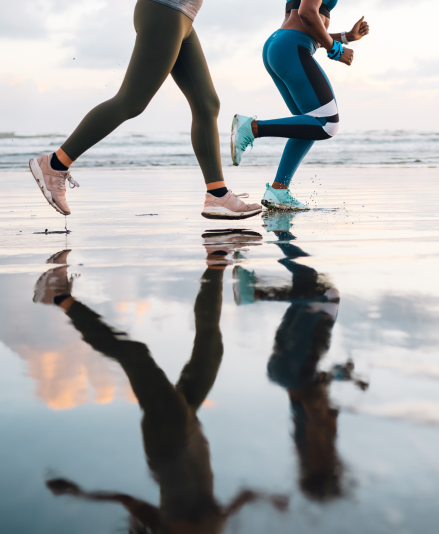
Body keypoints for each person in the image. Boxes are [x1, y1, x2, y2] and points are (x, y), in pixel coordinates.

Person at [37, 236, 288, 533]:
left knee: (135, 355)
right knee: (211, 347)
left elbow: (126, 501)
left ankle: (58, 297)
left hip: (167, 440)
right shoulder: (214, 527)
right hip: (189, 426)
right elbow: (241, 499)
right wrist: (265, 497)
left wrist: (79, 492)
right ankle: (216, 259)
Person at [28, 0, 262, 221]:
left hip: (183, 17)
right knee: (131, 101)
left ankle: (217, 195)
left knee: (207, 104)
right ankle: (55, 164)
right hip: (164, 11)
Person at [232, 212, 368, 500]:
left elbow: (312, 399)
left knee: (325, 293)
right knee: (308, 283)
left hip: (298, 368)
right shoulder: (306, 447)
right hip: (284, 372)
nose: (342, 470)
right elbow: (316, 389)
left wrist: (332, 390)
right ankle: (278, 230)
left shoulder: (320, 445)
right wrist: (343, 374)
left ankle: (256, 292)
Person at [230, 0, 370, 210]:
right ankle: (251, 128)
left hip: (282, 45)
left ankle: (279, 190)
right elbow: (307, 13)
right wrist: (336, 50)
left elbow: (308, 24)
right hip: (292, 47)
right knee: (326, 123)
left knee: (307, 127)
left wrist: (346, 37)